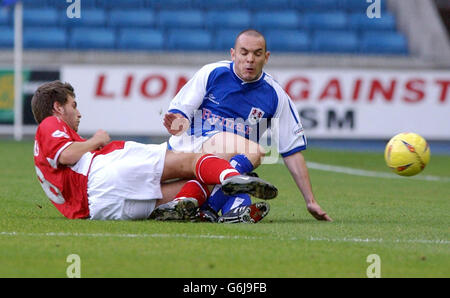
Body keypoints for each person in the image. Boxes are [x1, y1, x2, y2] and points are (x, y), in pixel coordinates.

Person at [31, 80, 277, 222]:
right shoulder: (48, 124)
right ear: (57, 107)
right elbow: (67, 155)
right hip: (104, 172)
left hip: (100, 209)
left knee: (195, 184)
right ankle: (233, 176)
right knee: (194, 161)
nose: (79, 112)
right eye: (73, 105)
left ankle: (222, 211)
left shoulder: (40, 153)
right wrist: (95, 141)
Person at [163, 29, 332, 222]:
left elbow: (291, 151)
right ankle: (215, 202)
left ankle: (224, 207)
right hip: (187, 153)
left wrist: (310, 201)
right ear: (233, 54)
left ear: (266, 57)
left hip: (216, 171)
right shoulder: (212, 73)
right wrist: (178, 123)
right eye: (244, 53)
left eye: (257, 53)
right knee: (256, 151)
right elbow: (179, 112)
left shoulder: (274, 95)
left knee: (236, 199)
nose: (250, 59)